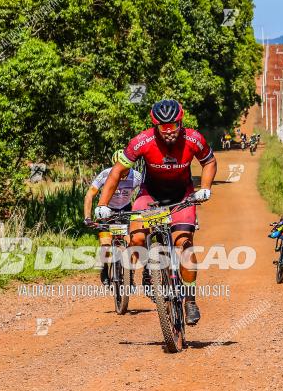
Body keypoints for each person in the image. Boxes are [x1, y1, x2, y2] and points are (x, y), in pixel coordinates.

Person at [94, 99, 216, 326]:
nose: (169, 131)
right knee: (137, 238)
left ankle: (189, 300)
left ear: (181, 122)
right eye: (163, 126)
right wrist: (102, 204)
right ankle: (150, 270)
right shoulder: (141, 141)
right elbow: (116, 172)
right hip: (150, 195)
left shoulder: (193, 138)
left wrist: (205, 188)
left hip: (182, 196)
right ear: (155, 125)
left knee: (183, 244)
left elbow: (209, 162)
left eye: (173, 125)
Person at [83, 150, 144, 285]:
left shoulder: (137, 176)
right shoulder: (106, 174)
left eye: (125, 171)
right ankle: (105, 269)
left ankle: (130, 276)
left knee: (132, 244)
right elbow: (89, 194)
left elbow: (146, 193)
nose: (122, 174)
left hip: (126, 209)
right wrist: (87, 217)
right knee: (105, 244)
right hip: (107, 210)